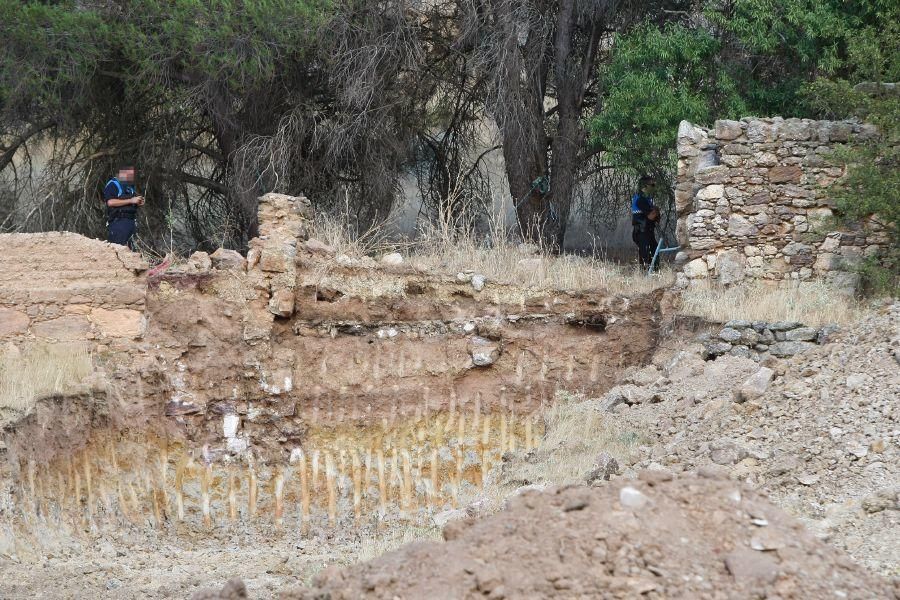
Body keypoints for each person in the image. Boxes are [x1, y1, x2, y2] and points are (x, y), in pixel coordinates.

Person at [103, 166, 144, 249]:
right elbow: (110, 202)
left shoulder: (129, 186)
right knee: (119, 249)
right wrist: (131, 201)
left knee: (130, 250)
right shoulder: (113, 184)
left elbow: (129, 202)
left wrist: (138, 202)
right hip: (118, 222)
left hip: (130, 222)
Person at [631, 175, 659, 268]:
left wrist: (655, 211)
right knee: (645, 256)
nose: (654, 187)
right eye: (652, 185)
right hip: (642, 232)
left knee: (654, 253)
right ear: (646, 186)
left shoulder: (648, 199)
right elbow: (651, 216)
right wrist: (656, 210)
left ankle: (654, 274)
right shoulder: (640, 199)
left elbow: (657, 217)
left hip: (648, 231)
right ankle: (645, 276)